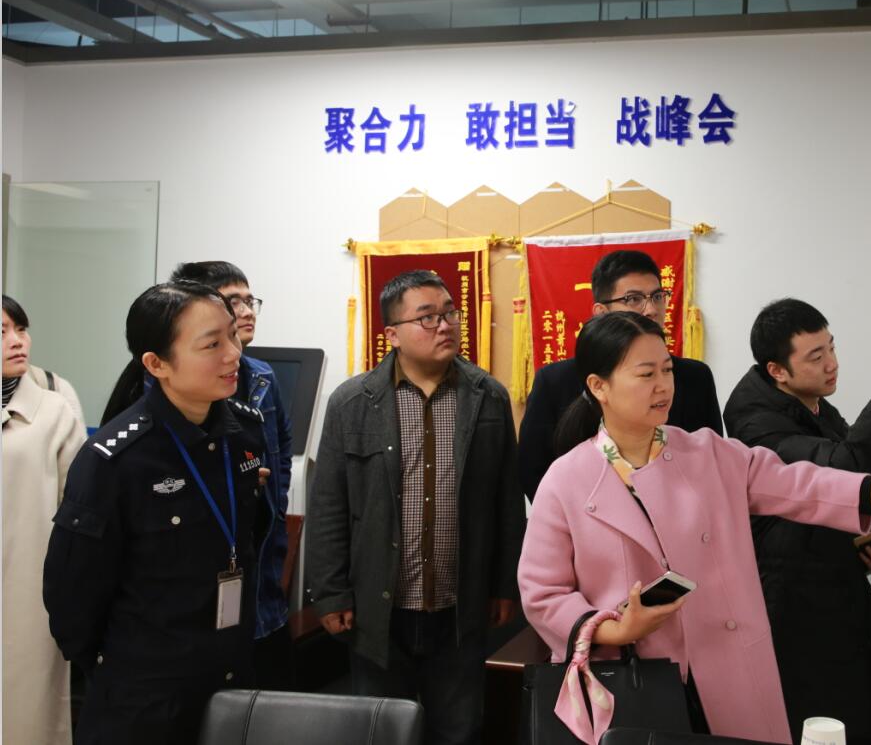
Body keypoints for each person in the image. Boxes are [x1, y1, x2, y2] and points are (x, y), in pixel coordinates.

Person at [518, 312, 871, 744]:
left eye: (667, 369)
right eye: (646, 374)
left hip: (727, 667)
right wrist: (618, 630)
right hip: (629, 679)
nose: (663, 385)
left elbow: (800, 485)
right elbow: (543, 592)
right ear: (599, 386)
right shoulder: (566, 480)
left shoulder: (709, 453)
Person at [43, 281, 271, 745]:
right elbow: (72, 596)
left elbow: (252, 535)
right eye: (212, 344)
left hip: (229, 675)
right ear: (156, 364)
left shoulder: (244, 431)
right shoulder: (116, 458)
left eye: (232, 335)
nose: (233, 354)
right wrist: (122, 666)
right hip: (144, 695)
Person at [307, 270, 525, 745]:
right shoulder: (352, 402)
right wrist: (329, 592)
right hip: (377, 606)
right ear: (392, 334)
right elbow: (327, 504)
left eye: (450, 313)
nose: (445, 325)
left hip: (460, 603)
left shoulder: (487, 397)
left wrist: (505, 584)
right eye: (427, 317)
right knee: (381, 729)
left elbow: (507, 501)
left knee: (459, 730)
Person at [722, 299, 871, 744]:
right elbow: (846, 467)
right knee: (822, 725)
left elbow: (835, 499)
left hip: (836, 597)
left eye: (831, 347)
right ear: (777, 371)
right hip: (794, 616)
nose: (832, 364)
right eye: (816, 356)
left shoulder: (809, 402)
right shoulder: (756, 423)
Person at [170, 260, 295, 688]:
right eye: (233, 301)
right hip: (195, 584)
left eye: (249, 300)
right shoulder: (174, 383)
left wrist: (269, 501)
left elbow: (281, 452)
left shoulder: (262, 377)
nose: (246, 311)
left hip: (260, 568)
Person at [518, 249, 723, 500]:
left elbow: (709, 461)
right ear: (601, 312)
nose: (651, 309)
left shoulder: (695, 377)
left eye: (657, 296)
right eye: (633, 299)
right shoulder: (555, 381)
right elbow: (533, 469)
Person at [2, 296, 85, 745]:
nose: (17, 341)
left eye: (21, 329)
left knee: (28, 711)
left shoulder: (53, 410)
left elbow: (79, 507)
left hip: (29, 590)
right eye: (2, 333)